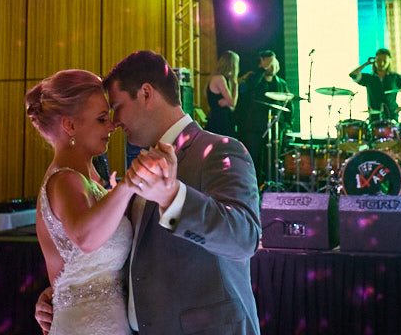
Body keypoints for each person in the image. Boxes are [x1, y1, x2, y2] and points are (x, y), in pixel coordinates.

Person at [36, 51, 261, 335]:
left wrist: (173, 198)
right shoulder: (140, 167)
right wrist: (65, 294)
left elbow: (244, 239)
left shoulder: (218, 150)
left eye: (116, 107)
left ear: (145, 94)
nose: (115, 122)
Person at [27, 69, 159, 335]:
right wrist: (129, 184)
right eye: (101, 119)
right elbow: (85, 239)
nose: (111, 126)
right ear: (70, 125)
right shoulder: (64, 181)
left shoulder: (93, 180)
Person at [237, 50, 291, 185]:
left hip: (275, 127)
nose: (270, 67)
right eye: (267, 64)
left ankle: (272, 186)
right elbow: (247, 88)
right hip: (255, 126)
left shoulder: (281, 83)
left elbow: (289, 105)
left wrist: (288, 123)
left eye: (272, 64)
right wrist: (262, 70)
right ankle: (254, 187)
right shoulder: (254, 78)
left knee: (273, 160)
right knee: (254, 158)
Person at [349, 48, 401, 122]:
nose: (381, 63)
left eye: (384, 61)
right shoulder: (369, 78)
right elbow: (353, 74)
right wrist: (366, 64)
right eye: (378, 60)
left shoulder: (395, 77)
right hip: (374, 119)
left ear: (389, 61)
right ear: (375, 61)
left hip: (392, 118)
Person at [205, 50, 240, 137]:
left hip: (221, 120)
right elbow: (232, 103)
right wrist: (236, 86)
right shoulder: (220, 78)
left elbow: (231, 105)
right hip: (219, 121)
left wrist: (226, 102)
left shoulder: (222, 78)